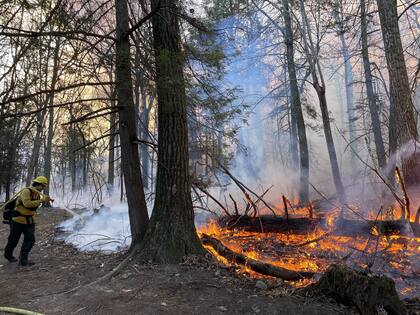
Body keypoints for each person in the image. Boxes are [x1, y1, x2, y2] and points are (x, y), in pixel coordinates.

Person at [4, 176, 54, 266]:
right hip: (17, 221)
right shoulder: (26, 191)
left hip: (29, 221)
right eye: (42, 186)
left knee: (30, 240)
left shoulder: (37, 194)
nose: (43, 188)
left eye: (44, 187)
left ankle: (23, 261)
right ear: (38, 184)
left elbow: (33, 208)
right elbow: (27, 204)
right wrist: (41, 200)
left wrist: (43, 200)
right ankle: (8, 255)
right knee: (13, 240)